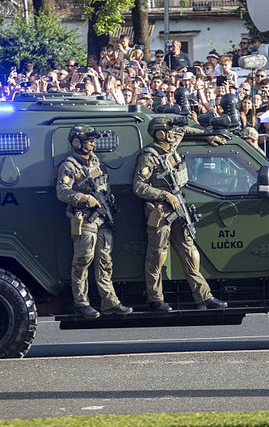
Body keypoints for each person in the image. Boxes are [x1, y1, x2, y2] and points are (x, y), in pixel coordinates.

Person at [132, 116, 227, 312]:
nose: (172, 133)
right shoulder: (149, 156)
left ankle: (203, 296)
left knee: (189, 252)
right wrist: (164, 195)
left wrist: (208, 136)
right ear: (160, 134)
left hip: (178, 206)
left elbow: (184, 130)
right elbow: (139, 187)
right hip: (160, 210)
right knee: (157, 255)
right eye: (168, 131)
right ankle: (155, 298)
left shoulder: (171, 145)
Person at [56, 125, 132, 319]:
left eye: (92, 140)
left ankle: (110, 302)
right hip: (85, 217)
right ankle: (81, 303)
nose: (92, 143)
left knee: (105, 261)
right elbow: (62, 192)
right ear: (77, 142)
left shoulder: (95, 161)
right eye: (89, 140)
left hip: (102, 217)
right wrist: (84, 198)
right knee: (83, 260)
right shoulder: (69, 166)